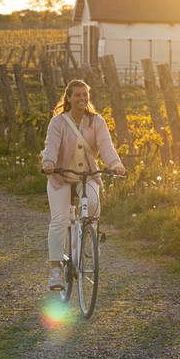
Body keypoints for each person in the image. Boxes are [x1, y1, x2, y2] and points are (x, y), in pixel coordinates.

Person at [41, 79, 126, 288]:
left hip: (87, 174)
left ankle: (87, 236)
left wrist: (116, 164)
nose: (82, 98)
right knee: (59, 220)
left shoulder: (96, 121)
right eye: (77, 95)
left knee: (94, 203)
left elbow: (106, 145)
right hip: (61, 176)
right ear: (68, 98)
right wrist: (49, 163)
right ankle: (55, 270)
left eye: (85, 94)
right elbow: (51, 145)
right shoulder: (58, 122)